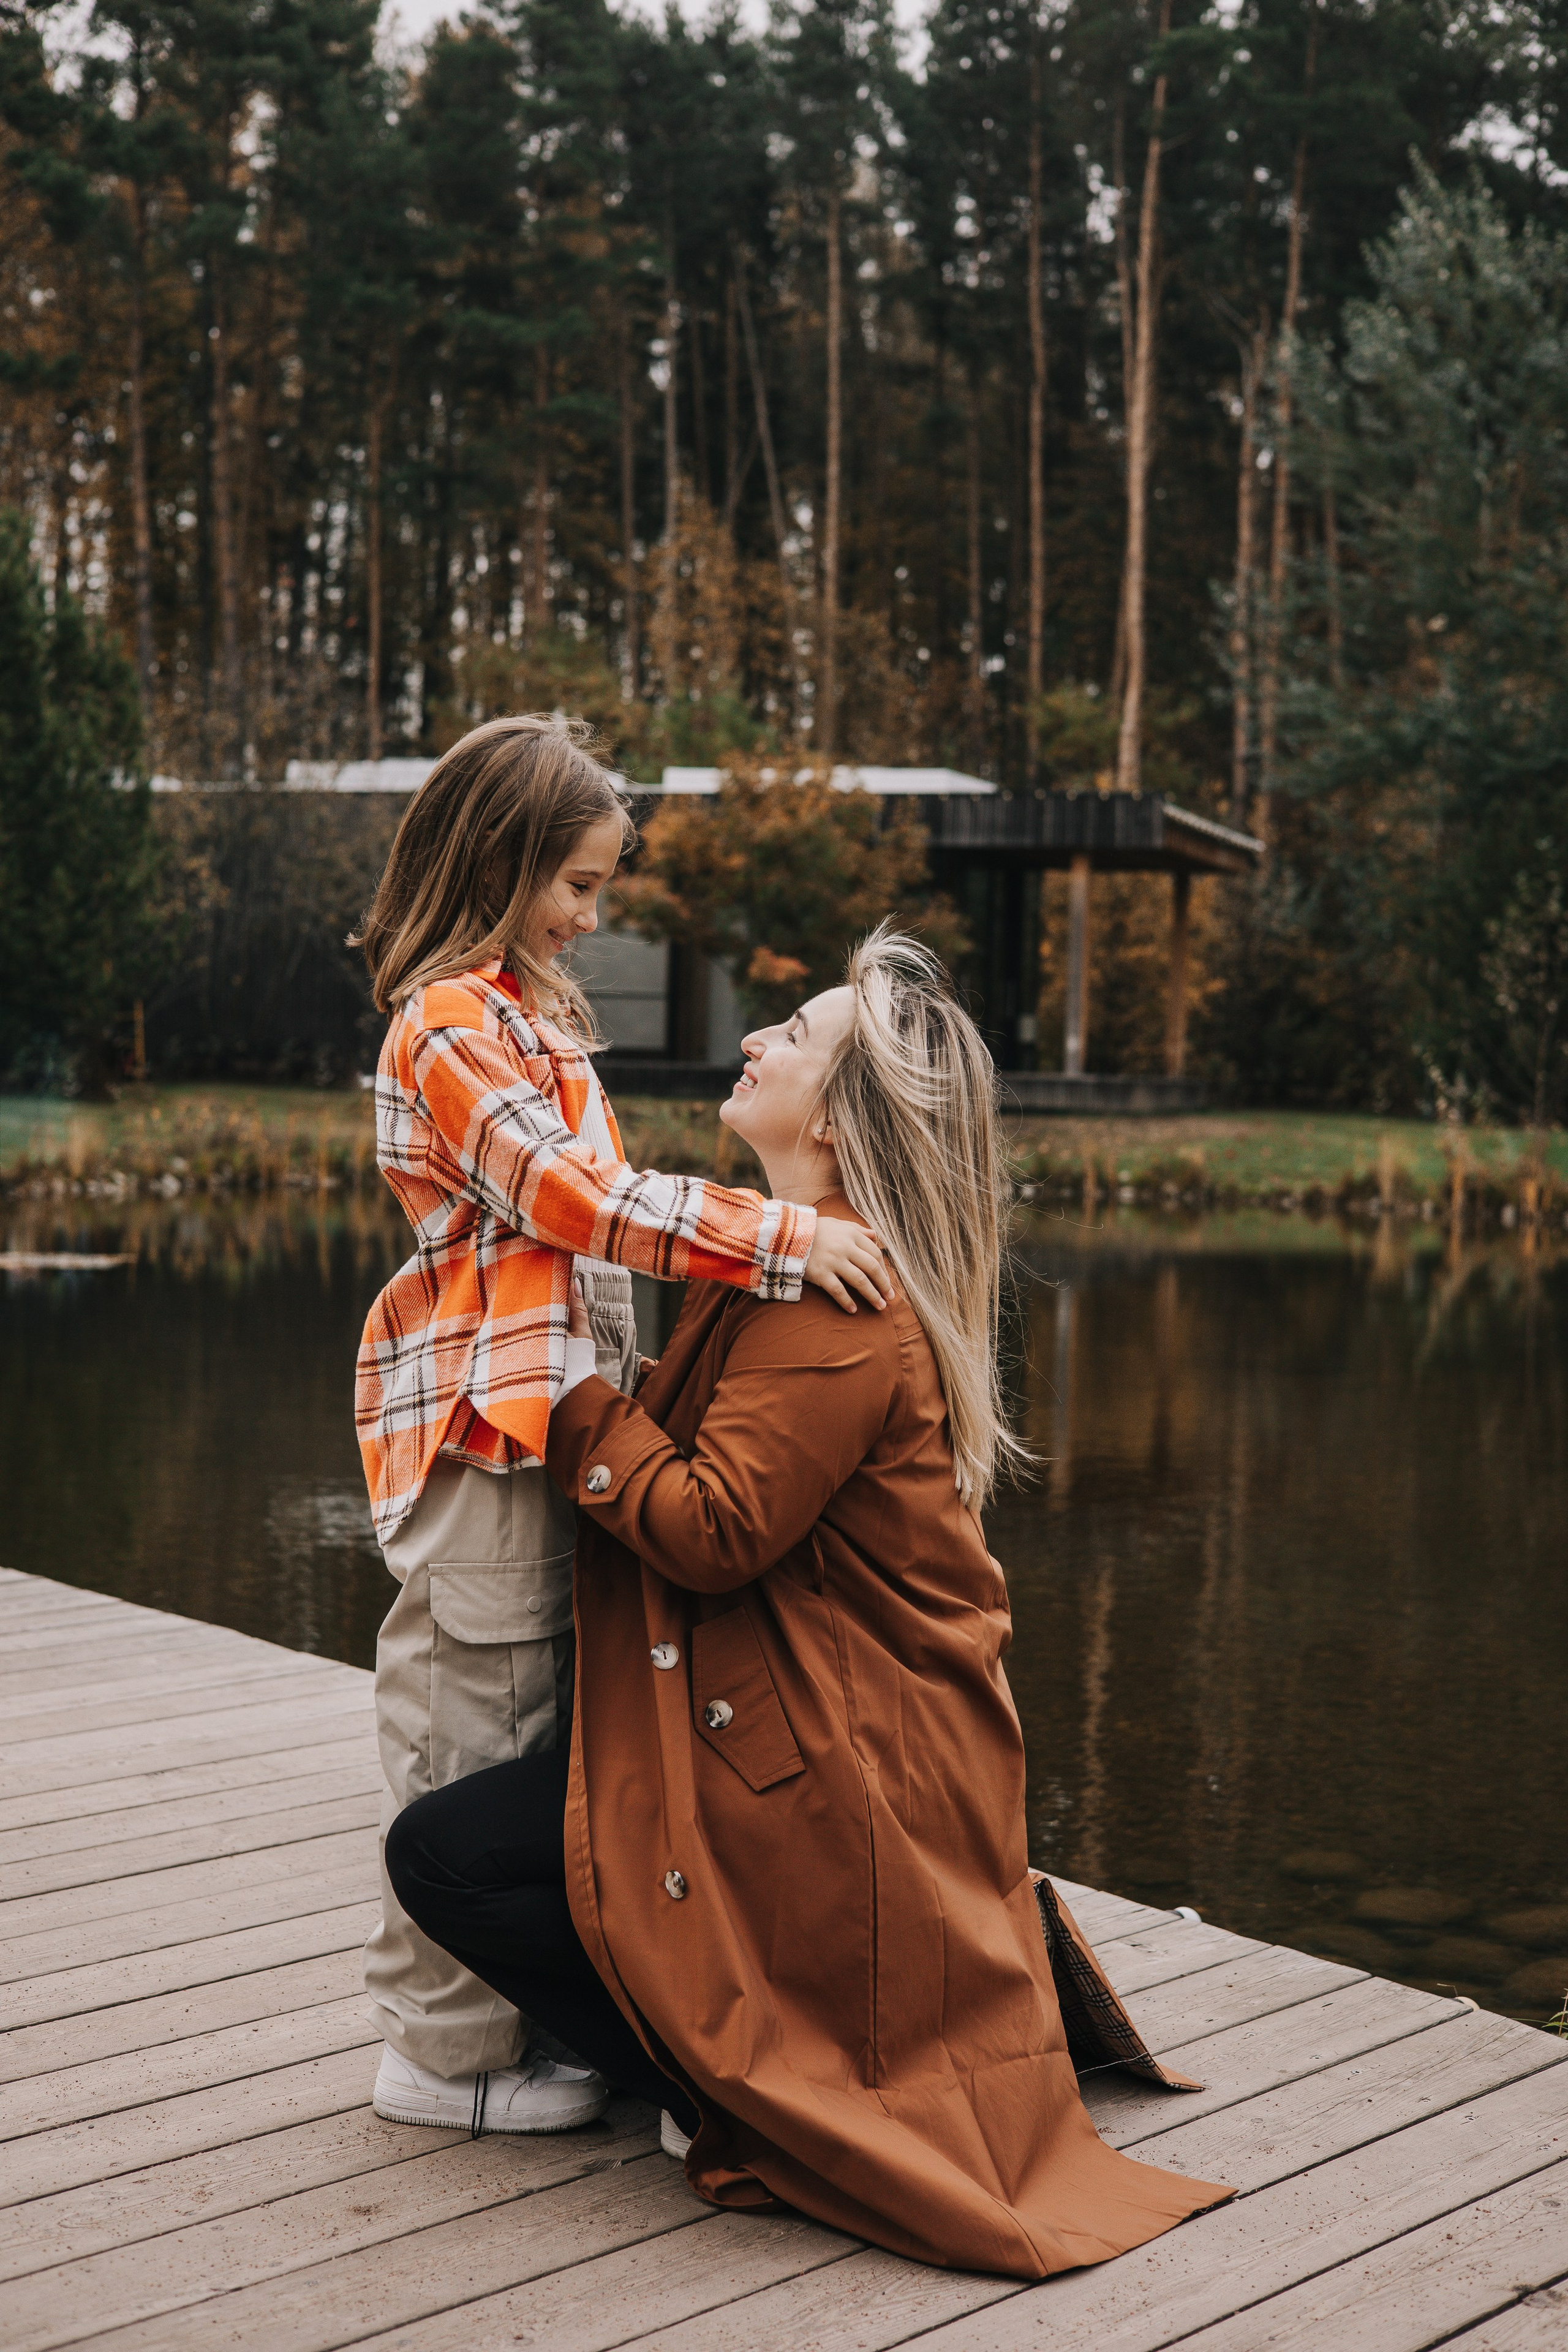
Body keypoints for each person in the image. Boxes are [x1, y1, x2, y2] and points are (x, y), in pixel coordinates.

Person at [385, 925, 1233, 2277]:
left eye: (790, 1032)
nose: (752, 1039)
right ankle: (704, 2037)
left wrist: (568, 1398)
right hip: (795, 1723)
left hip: (830, 1768)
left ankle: (724, 2080)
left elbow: (713, 1530)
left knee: (443, 1856)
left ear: (835, 1119)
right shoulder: (789, 1256)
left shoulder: (832, 1301)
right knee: (495, 1837)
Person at [352, 715, 892, 2136]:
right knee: (470, 1720)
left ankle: (532, 2018)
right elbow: (574, 1203)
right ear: (500, 859)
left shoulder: (534, 1019)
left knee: (539, 1715)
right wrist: (774, 1233)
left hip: (546, 1426)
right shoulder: (446, 1025)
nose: (593, 916)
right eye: (577, 885)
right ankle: (443, 2056)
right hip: (480, 1433)